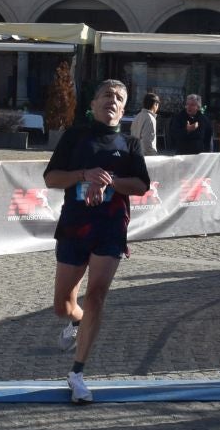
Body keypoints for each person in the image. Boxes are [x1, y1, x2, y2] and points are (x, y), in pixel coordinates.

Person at [43, 79, 151, 404]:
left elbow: (141, 185)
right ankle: (75, 320)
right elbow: (50, 178)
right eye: (106, 95)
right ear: (93, 103)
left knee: (98, 296)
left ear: (124, 107)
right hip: (75, 226)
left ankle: (77, 373)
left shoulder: (130, 144)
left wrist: (113, 182)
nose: (112, 101)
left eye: (119, 98)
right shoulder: (75, 136)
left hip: (111, 227)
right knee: (62, 304)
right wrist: (83, 175)